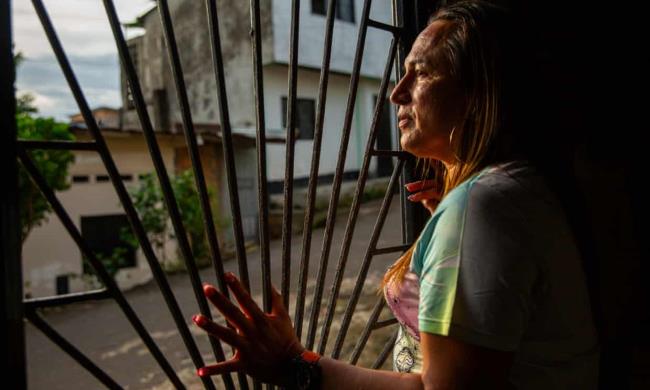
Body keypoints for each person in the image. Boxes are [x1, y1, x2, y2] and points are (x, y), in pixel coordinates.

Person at [192, 1, 599, 388]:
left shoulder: (484, 205)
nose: (396, 93)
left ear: (480, 92)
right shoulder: (513, 189)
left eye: (421, 73)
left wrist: (293, 365)